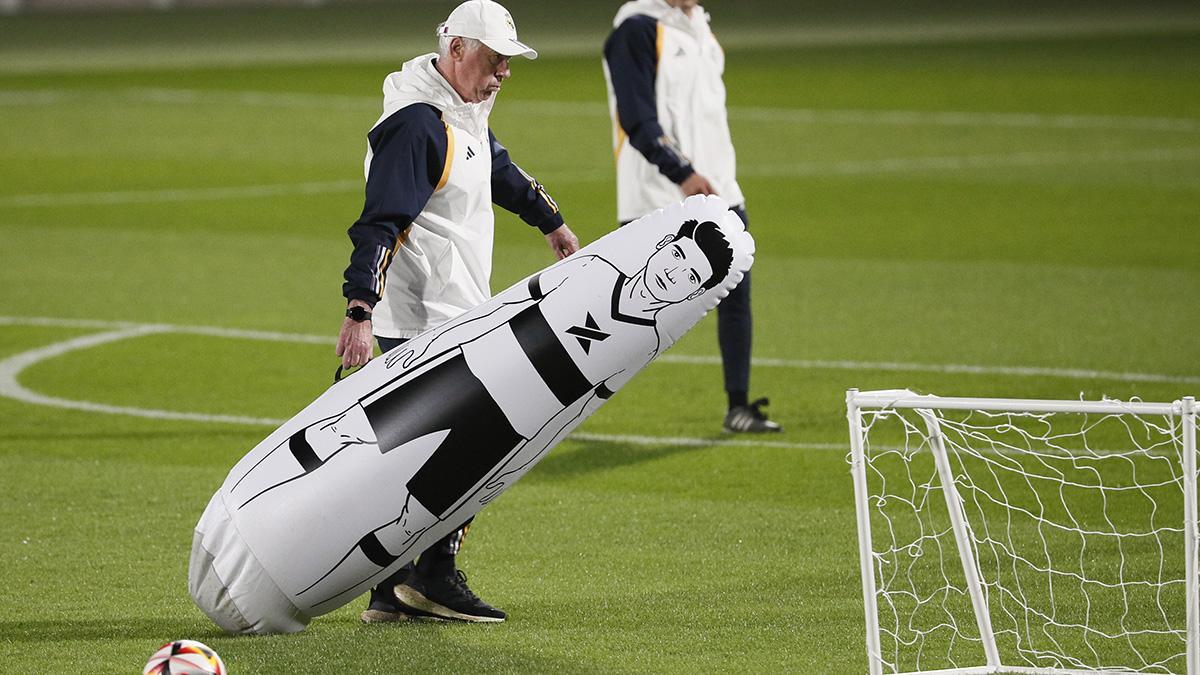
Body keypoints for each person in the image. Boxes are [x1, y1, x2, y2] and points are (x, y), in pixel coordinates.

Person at [233, 215, 740, 618]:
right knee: (349, 435)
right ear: (661, 247)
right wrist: (431, 356)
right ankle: (261, 514)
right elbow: (505, 311)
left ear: (692, 291)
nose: (674, 272)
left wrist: (517, 457)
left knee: (408, 520)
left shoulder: (645, 337)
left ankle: (362, 594)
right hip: (468, 373)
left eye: (691, 276)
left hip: (504, 426)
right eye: (678, 255)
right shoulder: (593, 272)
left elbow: (577, 406)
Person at [335, 0, 580, 624]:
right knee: (485, 442)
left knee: (428, 456)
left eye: (508, 63)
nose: (503, 73)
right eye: (494, 60)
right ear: (457, 50)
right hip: (424, 319)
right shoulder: (417, 124)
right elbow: (382, 222)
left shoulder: (458, 114)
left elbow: (495, 165)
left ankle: (394, 588)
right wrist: (360, 306)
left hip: (451, 312)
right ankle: (433, 576)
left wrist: (549, 220)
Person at [602, 0, 781, 433]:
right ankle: (549, 404)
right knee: (623, 314)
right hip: (659, 198)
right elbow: (637, 118)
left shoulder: (701, 29)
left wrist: (715, 178)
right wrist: (681, 172)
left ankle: (738, 406)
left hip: (719, 190)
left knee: (736, 296)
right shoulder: (636, 30)